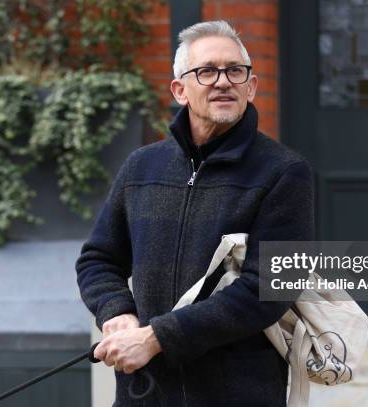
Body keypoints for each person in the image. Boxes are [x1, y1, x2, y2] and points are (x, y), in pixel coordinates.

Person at [76, 20, 314, 407]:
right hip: (145, 391)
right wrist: (116, 312)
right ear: (180, 90)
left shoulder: (284, 171)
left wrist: (157, 338)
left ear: (250, 87)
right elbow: (98, 259)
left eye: (235, 71)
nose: (223, 82)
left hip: (238, 392)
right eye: (206, 71)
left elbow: (272, 288)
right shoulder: (141, 167)